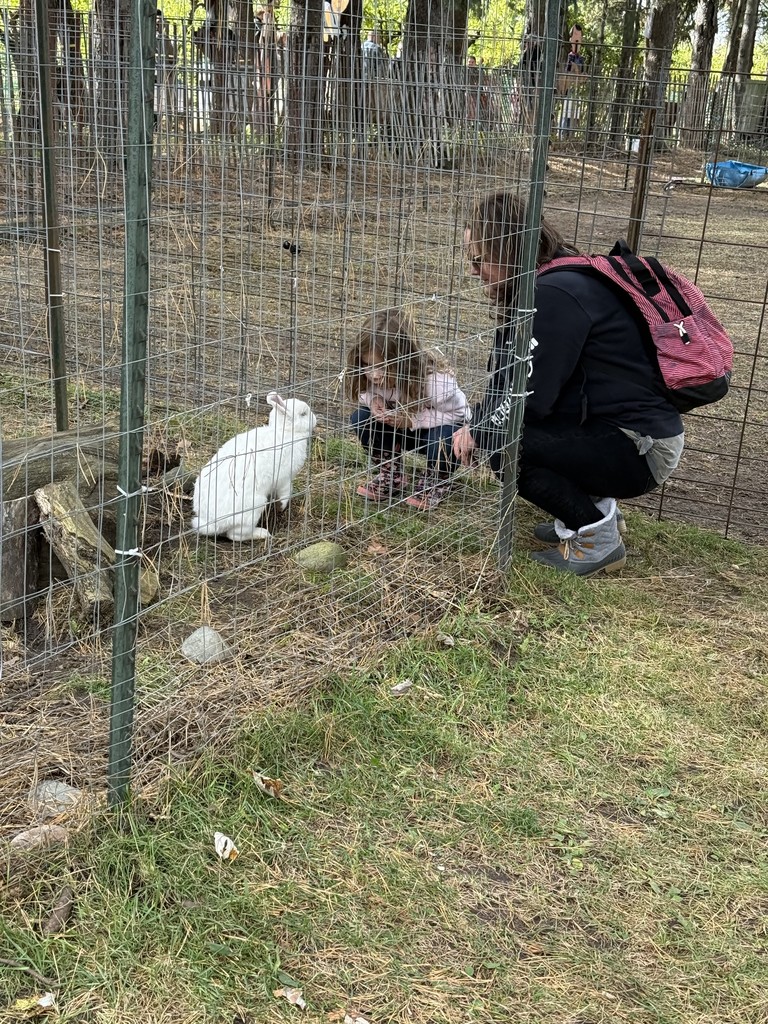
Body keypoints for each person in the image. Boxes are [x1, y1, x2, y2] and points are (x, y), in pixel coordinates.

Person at [453, 191, 685, 576]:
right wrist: (480, 419)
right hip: (624, 435)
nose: (473, 270)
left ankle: (596, 538)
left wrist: (480, 429)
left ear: (509, 250)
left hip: (640, 447)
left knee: (504, 443)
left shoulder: (554, 295)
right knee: (500, 431)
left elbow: (531, 398)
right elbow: (511, 375)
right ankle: (593, 512)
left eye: (479, 260)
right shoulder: (553, 280)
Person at [346, 308, 470, 511]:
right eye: (368, 365)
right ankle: (391, 474)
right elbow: (362, 391)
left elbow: (461, 415)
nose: (375, 375)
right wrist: (373, 400)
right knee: (361, 417)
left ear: (405, 360)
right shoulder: (371, 378)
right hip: (400, 431)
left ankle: (437, 479)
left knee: (445, 436)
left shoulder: (436, 384)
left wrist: (413, 420)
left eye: (384, 366)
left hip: (435, 434)